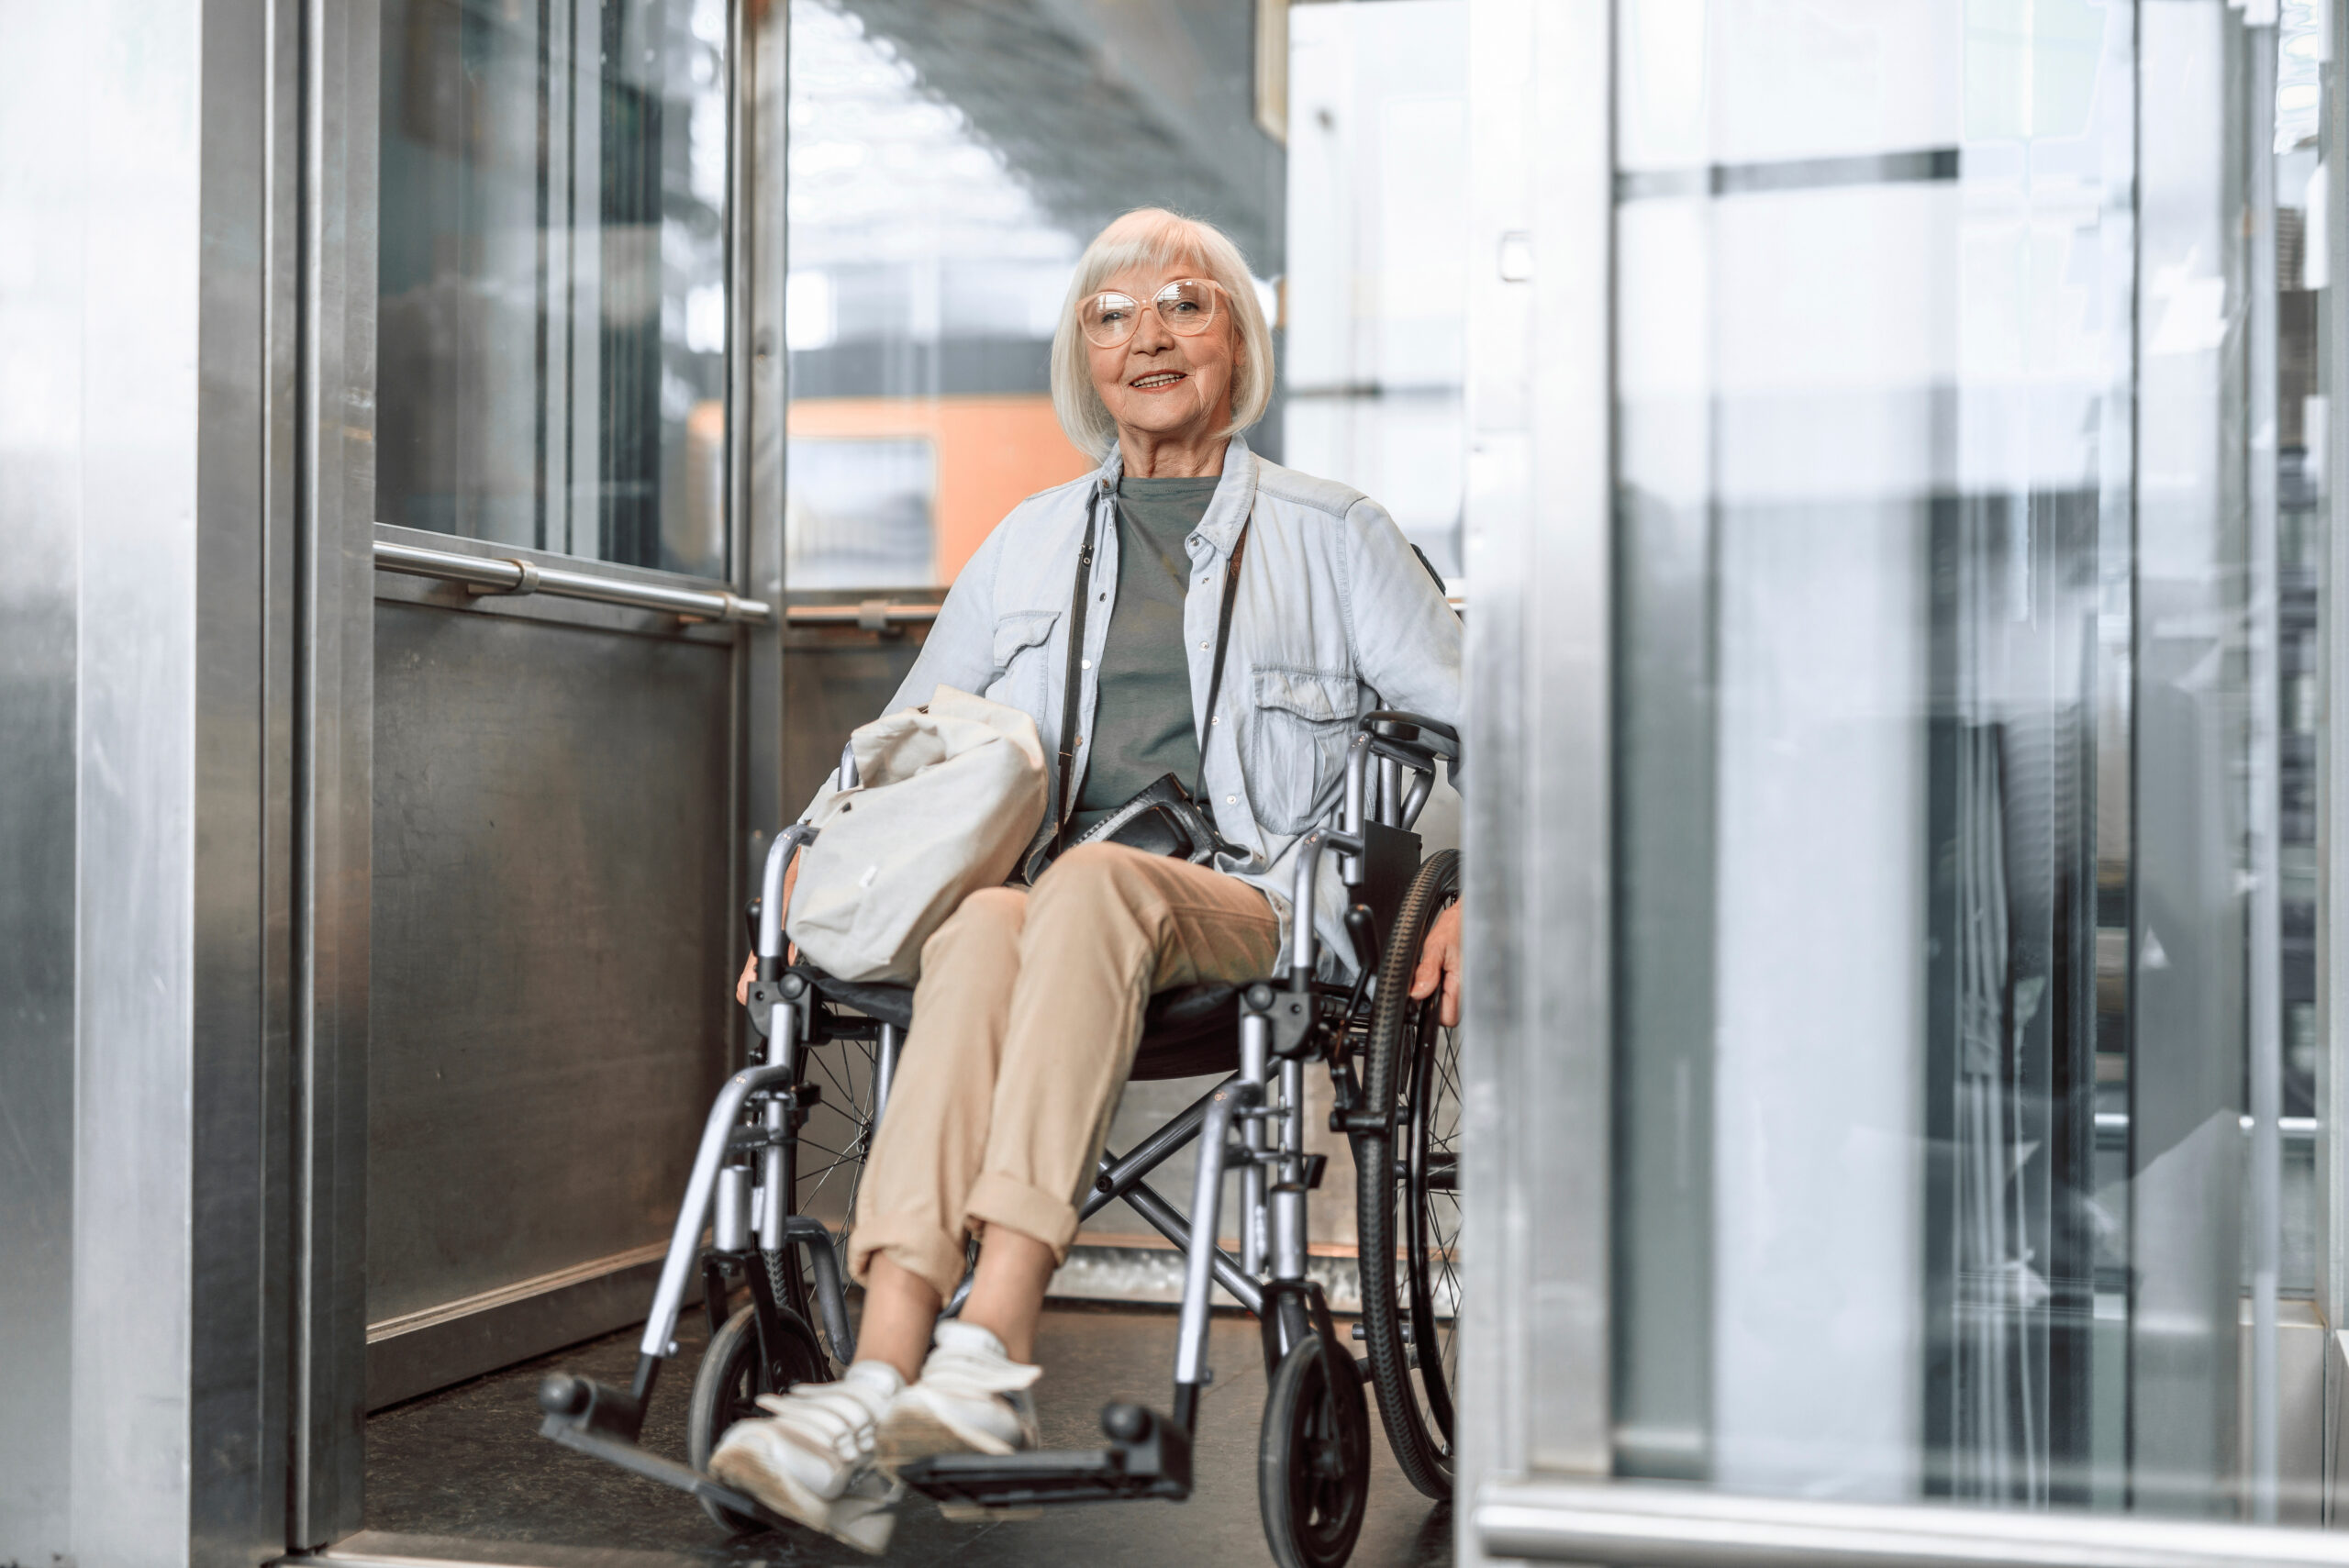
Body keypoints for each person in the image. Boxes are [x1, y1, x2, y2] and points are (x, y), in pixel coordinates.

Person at [709, 207, 1464, 1550]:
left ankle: (989, 1336)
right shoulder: (1028, 544)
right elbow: (906, 745)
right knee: (985, 922)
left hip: (1256, 906)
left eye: (1185, 304)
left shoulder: (1334, 534)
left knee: (1079, 891)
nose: (1148, 338)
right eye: (1111, 316)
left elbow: (1483, 721)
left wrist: (1480, 897)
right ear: (1083, 356)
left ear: (1239, 339)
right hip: (1060, 922)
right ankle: (884, 1370)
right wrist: (804, 902)